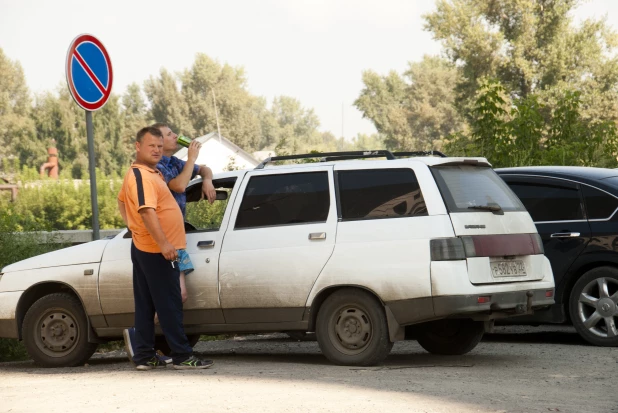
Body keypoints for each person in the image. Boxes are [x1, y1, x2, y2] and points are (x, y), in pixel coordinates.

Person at [117, 126, 214, 370]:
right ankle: (182, 356)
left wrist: (137, 229)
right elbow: (146, 211)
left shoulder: (151, 173)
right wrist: (162, 243)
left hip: (150, 247)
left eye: (160, 146)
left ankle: (144, 355)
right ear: (138, 146)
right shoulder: (140, 176)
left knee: (147, 304)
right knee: (169, 303)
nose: (157, 150)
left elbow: (122, 201)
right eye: (151, 146)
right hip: (157, 249)